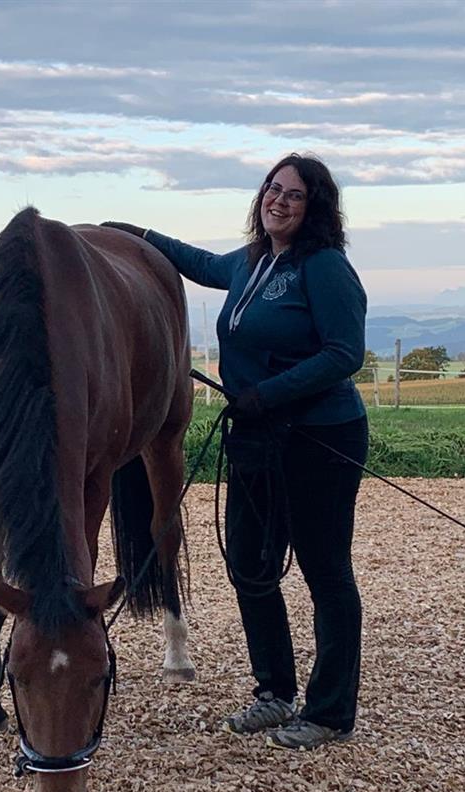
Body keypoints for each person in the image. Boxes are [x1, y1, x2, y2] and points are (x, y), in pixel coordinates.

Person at [102, 153, 368, 750]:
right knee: (250, 563)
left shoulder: (324, 267)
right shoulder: (253, 262)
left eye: (294, 195)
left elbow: (345, 352)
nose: (278, 201)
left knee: (326, 573)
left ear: (315, 208)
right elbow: (197, 263)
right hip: (256, 436)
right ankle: (275, 692)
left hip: (319, 437)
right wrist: (136, 234)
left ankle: (330, 713)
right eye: (273, 189)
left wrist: (267, 393)